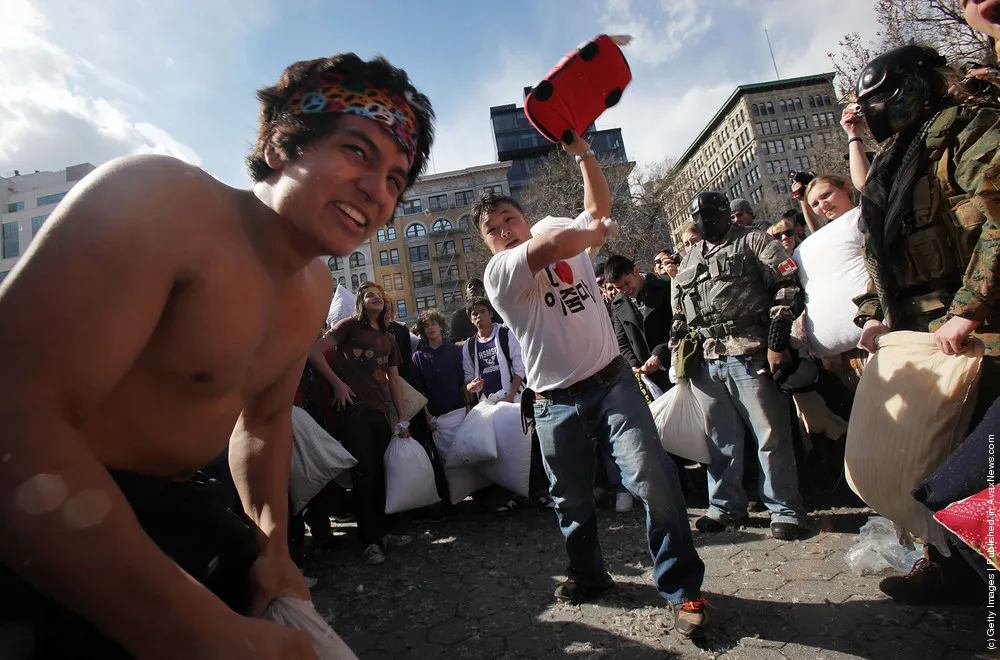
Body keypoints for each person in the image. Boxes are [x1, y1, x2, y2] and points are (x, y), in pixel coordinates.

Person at [0, 52, 433, 658]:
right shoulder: (161, 201)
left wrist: (275, 547)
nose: (377, 190)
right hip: (42, 521)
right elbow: (15, 413)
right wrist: (193, 628)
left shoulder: (314, 290)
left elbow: (264, 422)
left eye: (395, 178)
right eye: (358, 151)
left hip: (184, 507)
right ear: (283, 145)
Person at [473, 132, 708, 638]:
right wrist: (597, 231)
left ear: (523, 217)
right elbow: (563, 241)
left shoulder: (555, 226)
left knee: (652, 477)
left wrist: (583, 155)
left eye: (509, 220)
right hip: (554, 403)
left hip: (612, 383)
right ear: (488, 244)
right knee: (572, 501)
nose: (505, 233)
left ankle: (683, 587)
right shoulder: (502, 273)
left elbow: (596, 208)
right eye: (493, 231)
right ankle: (589, 574)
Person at [848, 43, 1000, 604]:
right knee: (929, 456)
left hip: (977, 334)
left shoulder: (967, 130)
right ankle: (950, 566)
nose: (873, 110)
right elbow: (883, 253)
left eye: (879, 97)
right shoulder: (895, 161)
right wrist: (872, 315)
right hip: (922, 334)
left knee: (979, 474)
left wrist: (969, 307)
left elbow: (996, 216)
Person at [672, 191, 810, 541]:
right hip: (706, 359)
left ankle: (785, 510)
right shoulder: (688, 258)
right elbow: (679, 312)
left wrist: (777, 340)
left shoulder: (753, 241)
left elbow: (787, 284)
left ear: (726, 212)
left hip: (750, 350)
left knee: (769, 435)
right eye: (697, 214)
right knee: (720, 441)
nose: (705, 219)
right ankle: (724, 507)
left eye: (711, 212)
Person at [308, 282, 415, 566]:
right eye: (369, 295)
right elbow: (315, 352)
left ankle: (385, 532)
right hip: (354, 411)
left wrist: (402, 417)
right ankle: (369, 541)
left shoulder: (389, 337)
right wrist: (338, 385)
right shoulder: (348, 326)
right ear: (360, 302)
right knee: (364, 475)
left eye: (380, 295)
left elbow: (394, 380)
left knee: (381, 473)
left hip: (381, 413)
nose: (376, 298)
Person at [605, 255, 674, 394]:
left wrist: (659, 354)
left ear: (636, 271)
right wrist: (634, 365)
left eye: (627, 283)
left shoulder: (664, 285)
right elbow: (622, 340)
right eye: (619, 288)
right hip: (648, 374)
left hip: (674, 360)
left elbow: (677, 322)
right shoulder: (618, 304)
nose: (626, 290)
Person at [463, 297, 524, 404]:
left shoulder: (506, 334)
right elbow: (469, 375)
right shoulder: (469, 345)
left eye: (483, 311)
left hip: (513, 400)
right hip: (486, 403)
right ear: (471, 319)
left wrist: (511, 396)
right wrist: (471, 386)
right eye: (475, 314)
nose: (479, 316)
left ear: (490, 313)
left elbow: (519, 368)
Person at [448, 278, 502, 343]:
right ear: (466, 295)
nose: (473, 287)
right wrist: (473, 344)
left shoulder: (495, 310)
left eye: (477, 285)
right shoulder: (458, 316)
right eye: (470, 286)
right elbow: (453, 342)